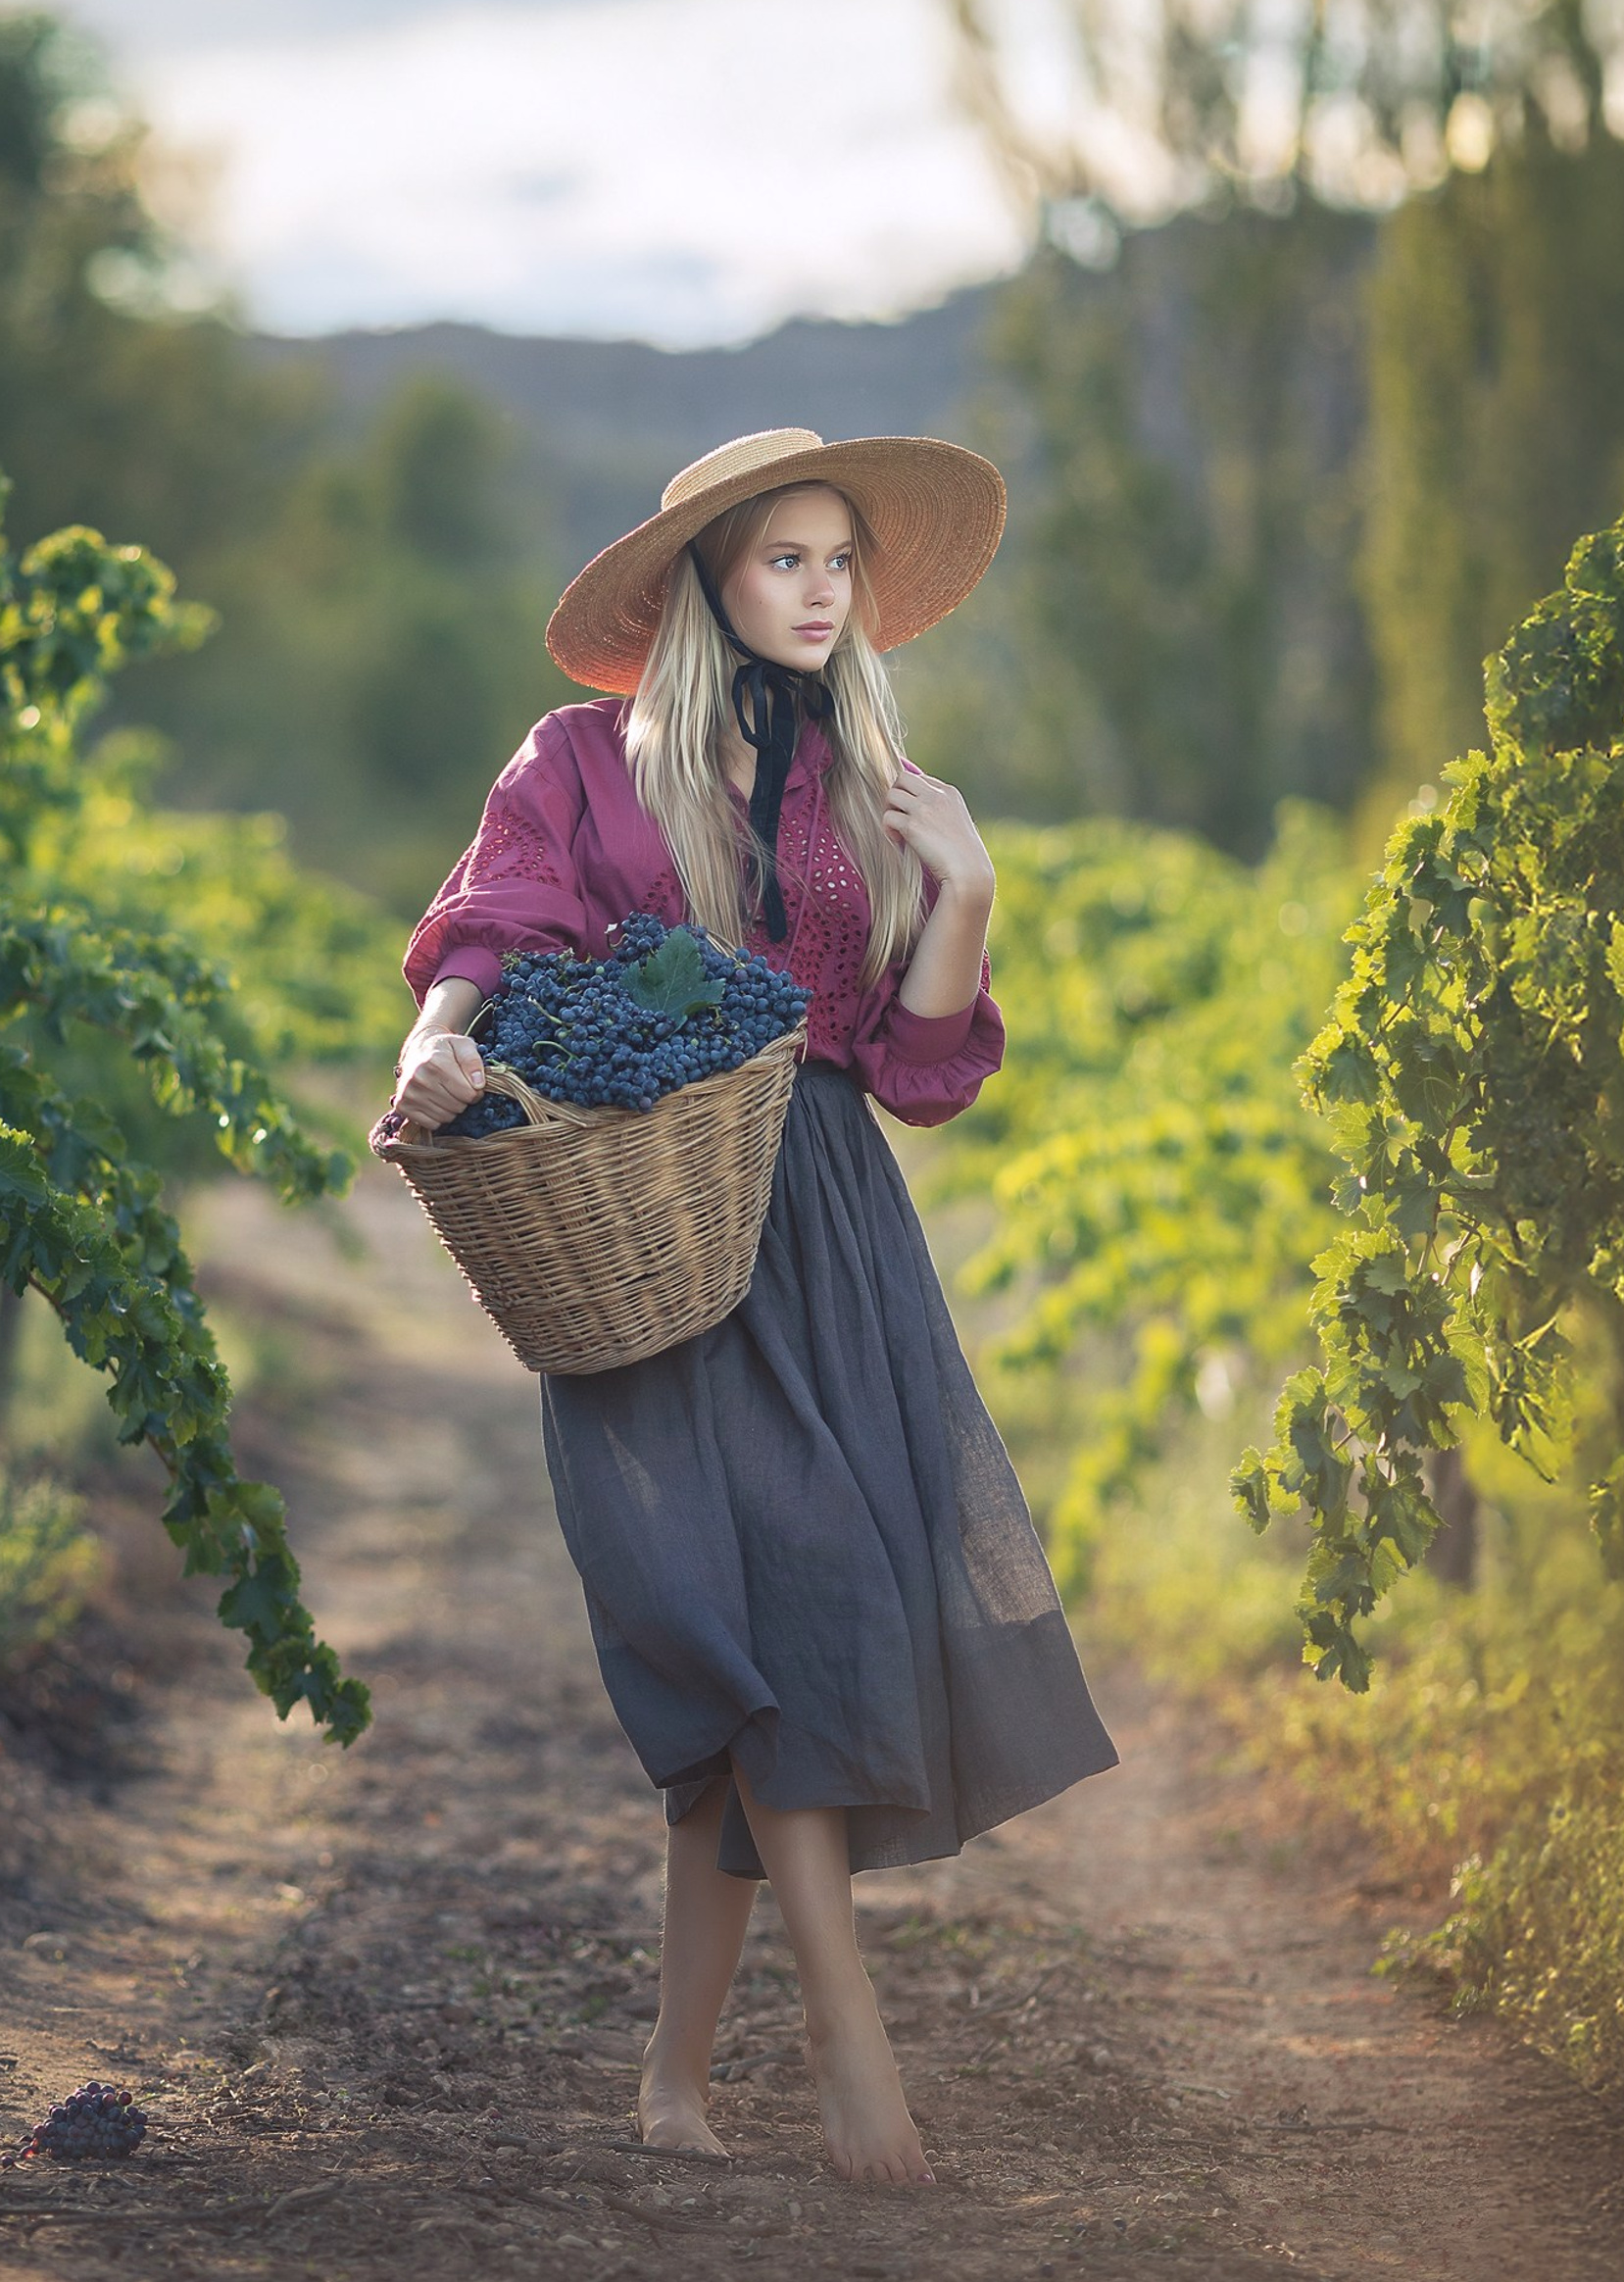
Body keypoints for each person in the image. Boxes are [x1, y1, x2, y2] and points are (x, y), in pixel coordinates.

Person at [388, 427, 1117, 2186]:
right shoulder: (582, 758)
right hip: (652, 1222)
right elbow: (496, 922)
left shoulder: (865, 780)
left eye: (838, 562)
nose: (820, 589)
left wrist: (966, 891)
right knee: (761, 1618)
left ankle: (672, 2079)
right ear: (707, 579)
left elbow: (912, 1061)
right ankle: (852, 2050)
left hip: (828, 1226)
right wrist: (437, 1042)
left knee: (785, 1624)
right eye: (785, 557)